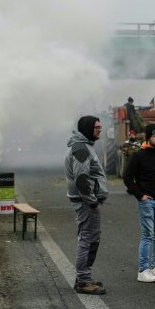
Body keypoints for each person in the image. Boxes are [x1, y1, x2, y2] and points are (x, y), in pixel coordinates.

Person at [123, 123, 155, 283]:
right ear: (148, 137)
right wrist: (140, 195)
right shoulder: (138, 156)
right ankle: (143, 270)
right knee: (147, 235)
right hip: (147, 202)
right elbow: (127, 178)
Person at [65, 115, 109, 295]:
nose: (100, 129)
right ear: (87, 128)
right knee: (86, 239)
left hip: (88, 202)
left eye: (100, 127)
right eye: (97, 127)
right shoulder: (81, 149)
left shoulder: (85, 146)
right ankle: (83, 280)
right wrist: (92, 202)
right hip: (86, 203)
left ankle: (85, 276)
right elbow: (82, 179)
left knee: (91, 238)